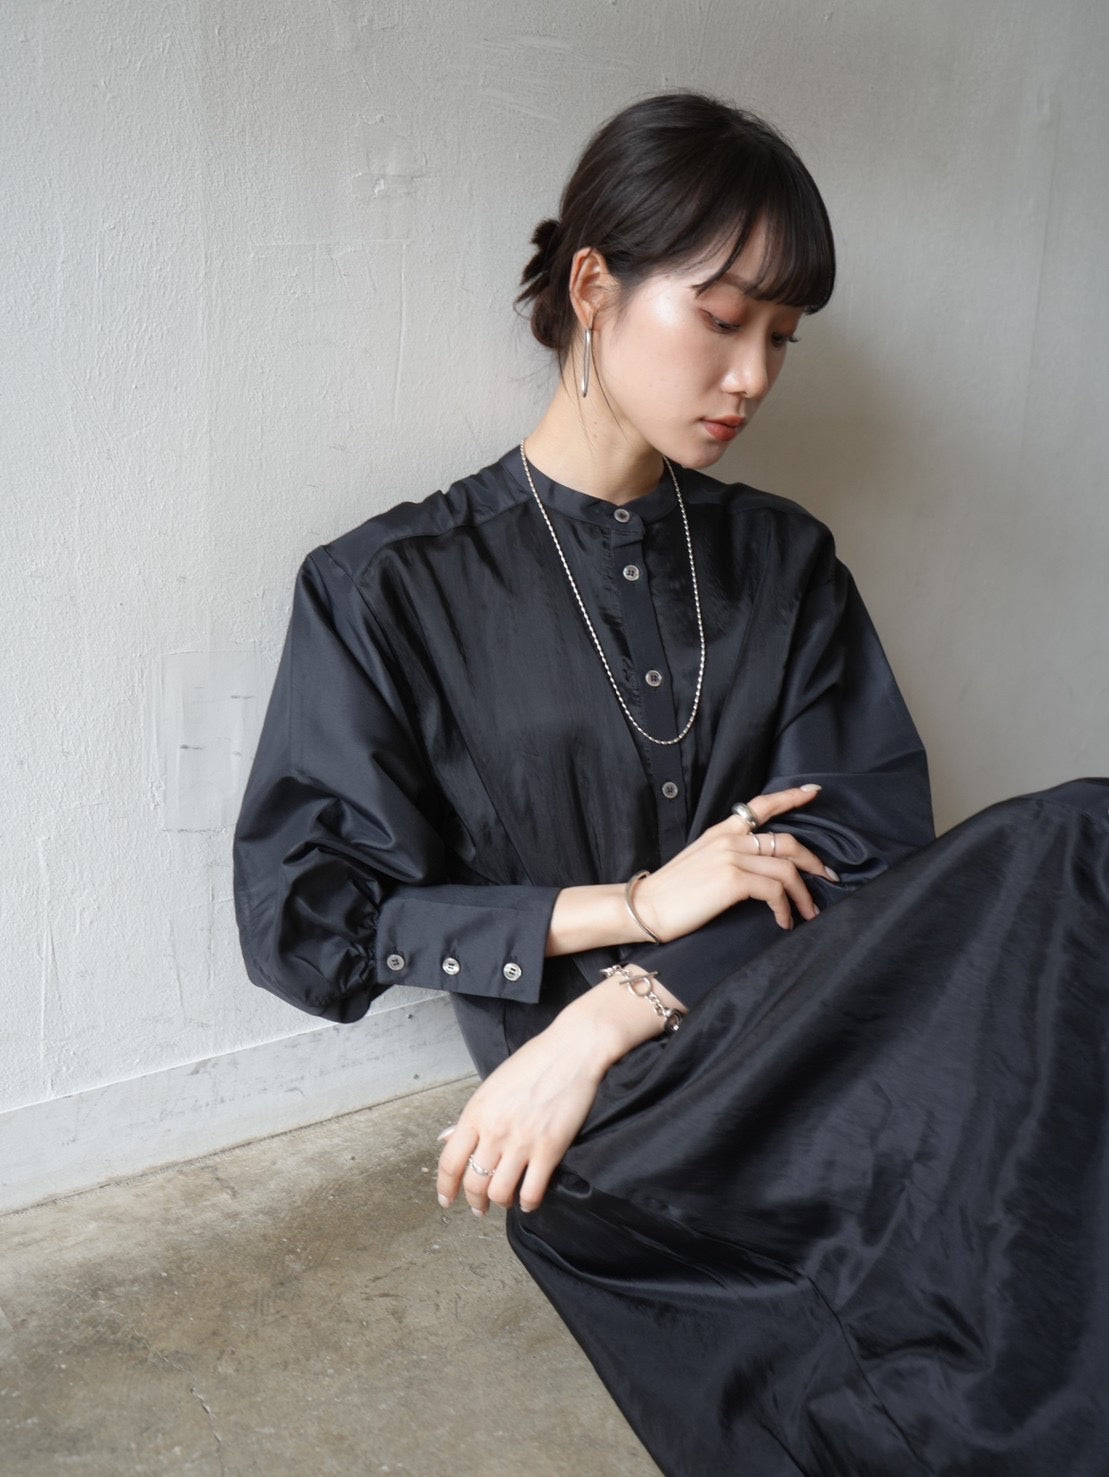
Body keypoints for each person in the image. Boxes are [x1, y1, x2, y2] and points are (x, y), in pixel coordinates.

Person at [232, 93, 1109, 1476]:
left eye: (782, 337)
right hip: (626, 1120)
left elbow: (866, 841)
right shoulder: (385, 588)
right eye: (722, 319)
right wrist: (627, 911)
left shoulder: (783, 556)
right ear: (594, 289)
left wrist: (615, 1008)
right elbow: (312, 921)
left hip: (798, 1020)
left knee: (1080, 860)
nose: (752, 375)